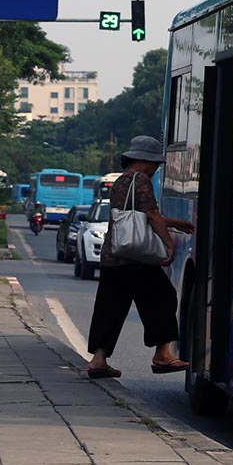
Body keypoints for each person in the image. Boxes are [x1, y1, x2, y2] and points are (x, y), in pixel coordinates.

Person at [85, 135, 197, 379]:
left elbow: (133, 216)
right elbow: (152, 215)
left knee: (109, 308)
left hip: (113, 255)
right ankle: (162, 355)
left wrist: (174, 222)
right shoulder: (141, 180)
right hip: (135, 259)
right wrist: (169, 244)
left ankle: (98, 360)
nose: (156, 169)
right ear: (144, 161)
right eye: (155, 163)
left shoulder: (120, 182)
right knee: (163, 297)